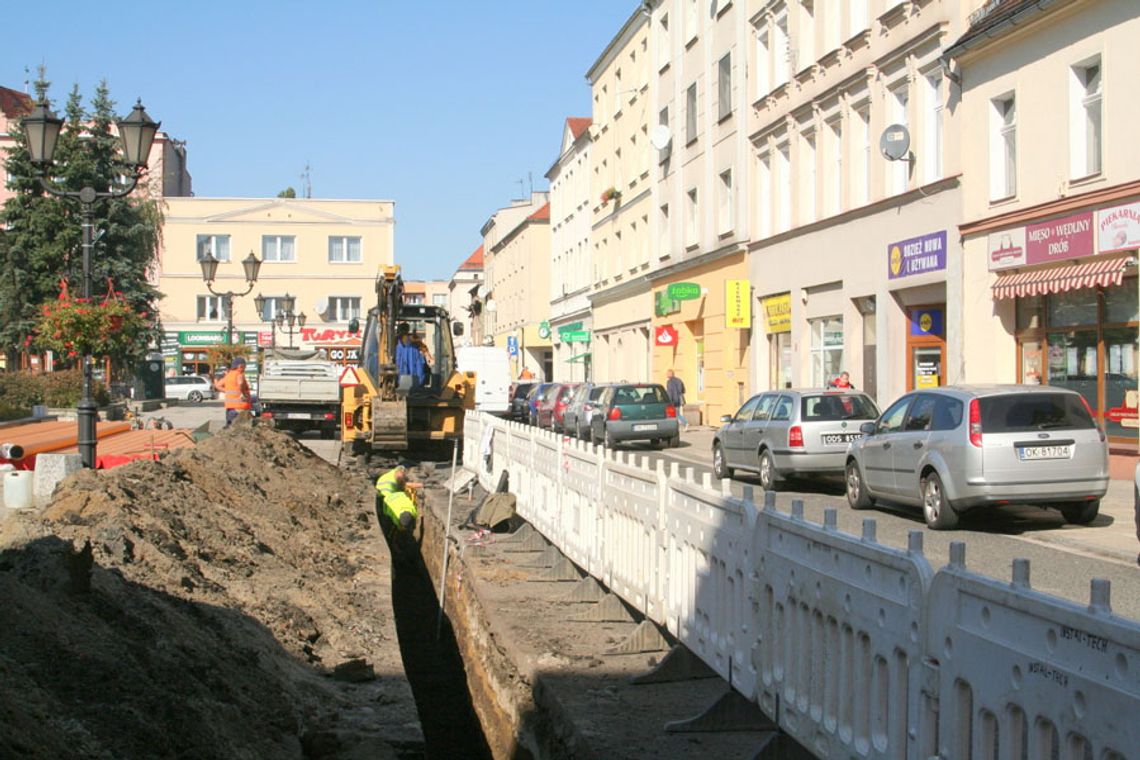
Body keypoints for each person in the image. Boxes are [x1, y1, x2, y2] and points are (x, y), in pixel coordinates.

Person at [375, 465, 420, 558]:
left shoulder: (412, 509)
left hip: (391, 495)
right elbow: (396, 524)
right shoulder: (393, 513)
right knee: (387, 527)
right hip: (385, 498)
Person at [214, 357, 251, 427]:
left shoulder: (228, 375)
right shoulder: (239, 374)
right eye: (244, 367)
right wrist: (243, 393)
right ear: (240, 366)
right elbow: (240, 383)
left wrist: (227, 391)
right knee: (240, 429)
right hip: (240, 408)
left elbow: (218, 385)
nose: (245, 369)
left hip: (229, 408)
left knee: (230, 428)